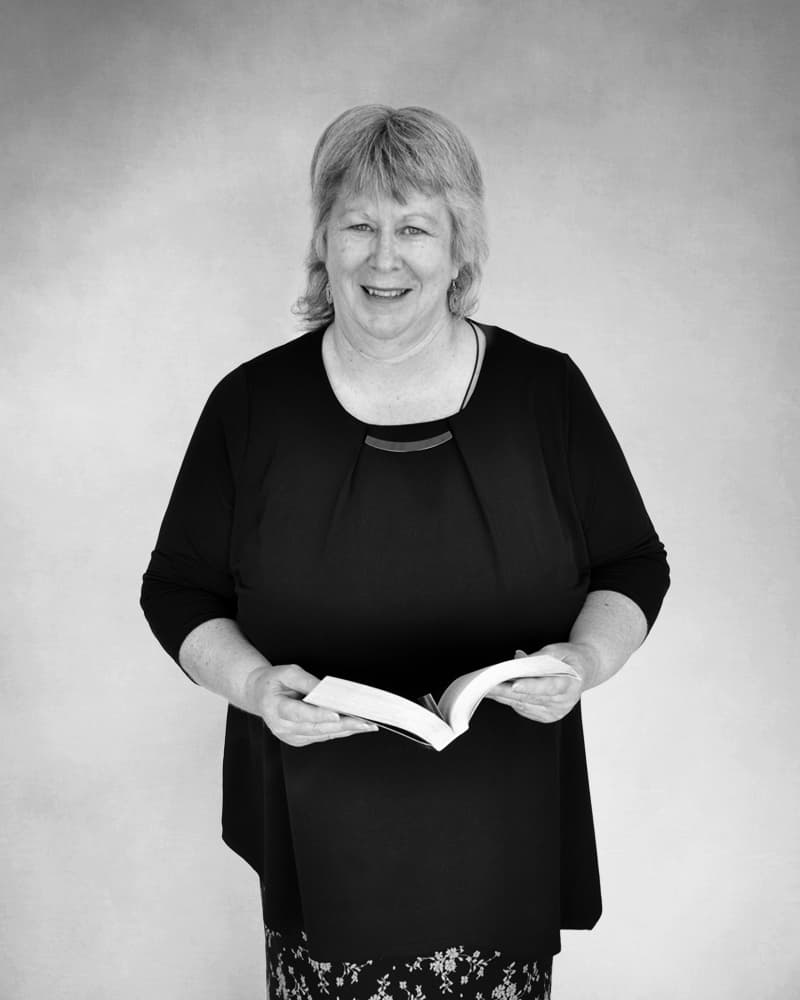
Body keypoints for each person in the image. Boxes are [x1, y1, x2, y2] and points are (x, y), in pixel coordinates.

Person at [140, 104, 669, 999]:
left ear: (460, 249)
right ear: (323, 242)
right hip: (320, 837)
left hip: (502, 833)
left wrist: (584, 662)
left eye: (415, 228)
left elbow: (632, 565)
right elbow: (178, 592)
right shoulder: (251, 405)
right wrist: (257, 687)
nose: (384, 258)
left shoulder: (544, 392)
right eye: (359, 226)